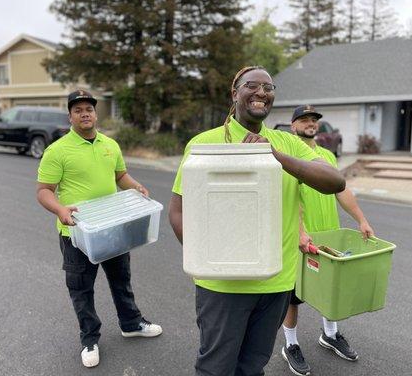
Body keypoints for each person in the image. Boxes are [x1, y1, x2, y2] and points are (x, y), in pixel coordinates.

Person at [168, 66, 346, 376]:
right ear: (235, 93)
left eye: (269, 87)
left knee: (252, 365)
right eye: (252, 85)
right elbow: (178, 212)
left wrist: (275, 157)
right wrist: (206, 260)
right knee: (216, 368)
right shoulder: (205, 144)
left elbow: (334, 181)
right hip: (223, 286)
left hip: (276, 282)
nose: (262, 92)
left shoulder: (287, 144)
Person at [36, 90, 162, 368]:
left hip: (112, 228)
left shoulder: (110, 145)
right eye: (78, 109)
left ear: (95, 113)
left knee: (121, 279)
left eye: (89, 109)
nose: (85, 113)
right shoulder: (57, 150)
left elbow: (120, 176)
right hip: (77, 234)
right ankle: (89, 338)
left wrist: (136, 186)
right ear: (70, 116)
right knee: (81, 289)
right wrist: (60, 209)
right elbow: (44, 191)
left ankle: (131, 323)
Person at [280, 105, 375, 376]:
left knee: (331, 289)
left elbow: (341, 190)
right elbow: (287, 197)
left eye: (314, 120)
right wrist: (298, 230)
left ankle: (330, 335)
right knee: (294, 296)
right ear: (292, 124)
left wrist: (361, 219)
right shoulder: (289, 155)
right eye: (304, 119)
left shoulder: (325, 156)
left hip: (329, 236)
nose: (311, 123)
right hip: (300, 239)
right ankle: (291, 345)